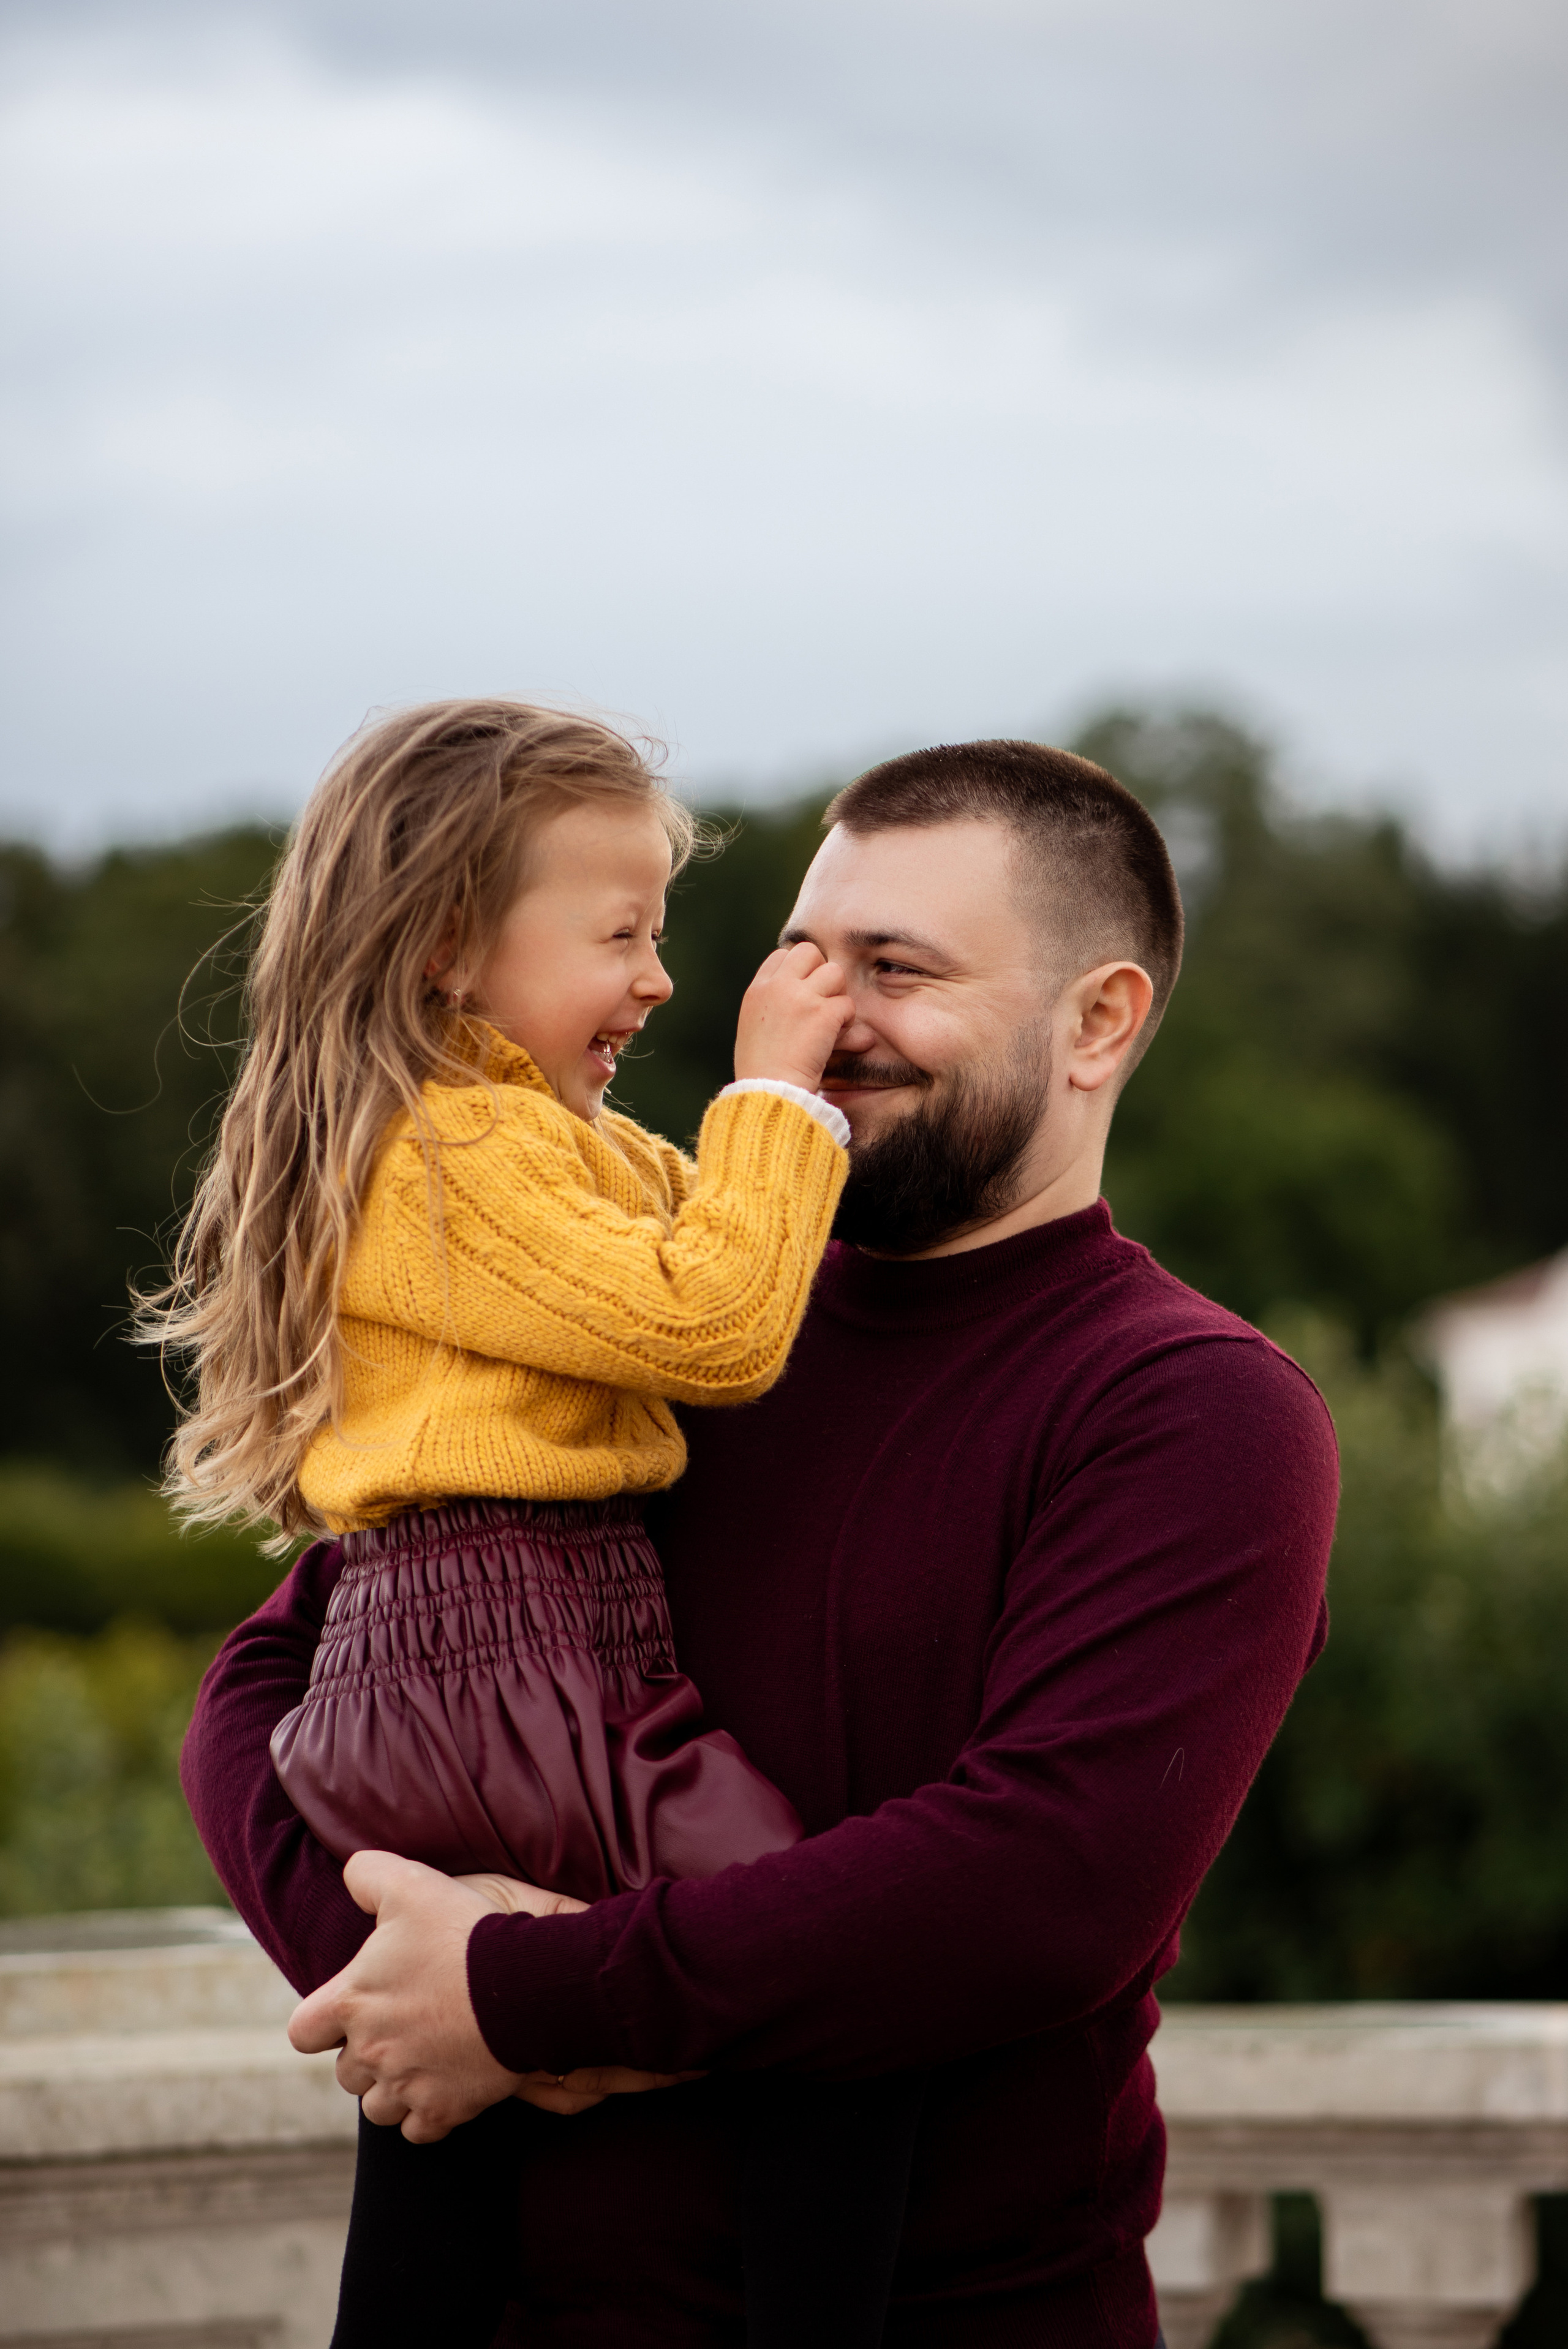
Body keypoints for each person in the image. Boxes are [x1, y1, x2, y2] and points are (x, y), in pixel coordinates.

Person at [184, 737, 1340, 2348]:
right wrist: (407, 1985)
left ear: (1100, 1019)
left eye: (895, 967)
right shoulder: (652, 1316)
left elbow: (1038, 1883)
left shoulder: (1190, 1405)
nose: (824, 1011)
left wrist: (523, 1993)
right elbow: (267, 1682)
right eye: (804, 951)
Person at [146, 698, 928, 2347]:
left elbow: (687, 1218)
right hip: (517, 1659)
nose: (656, 976)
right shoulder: (454, 1153)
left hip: (460, 1659)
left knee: (449, 2103)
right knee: (826, 1995)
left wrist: (760, 1147)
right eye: (623, 933)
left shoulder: (507, 1140)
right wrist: (781, 1097)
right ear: (447, 946)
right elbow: (714, 1319)